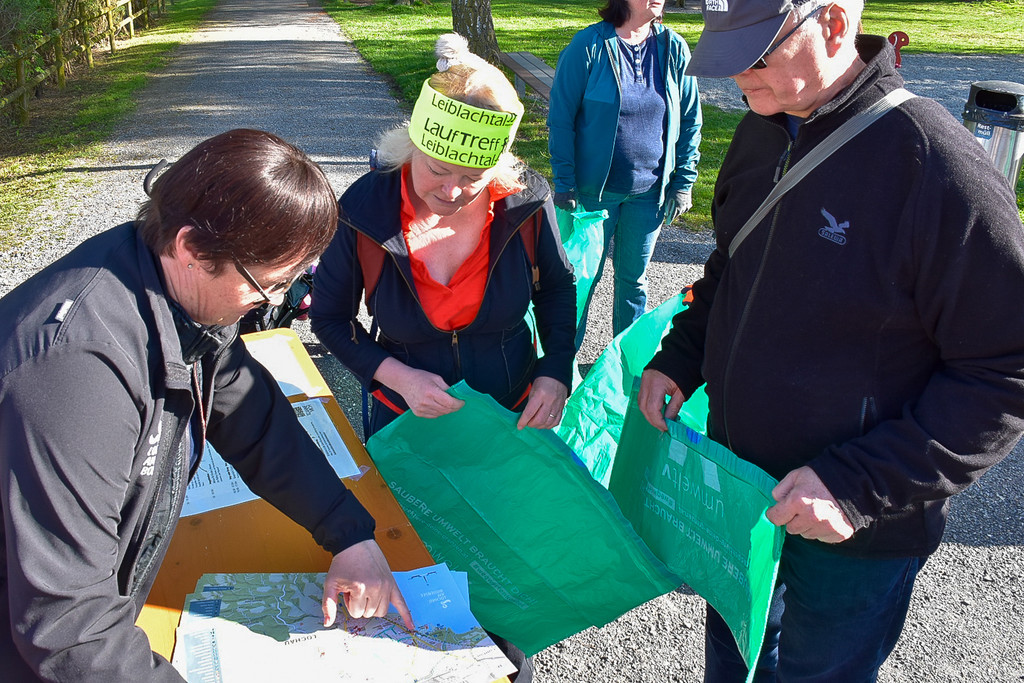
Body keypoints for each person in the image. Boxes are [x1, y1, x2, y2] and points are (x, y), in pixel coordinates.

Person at [637, 1, 1024, 681]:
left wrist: (855, 486)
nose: (735, 77)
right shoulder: (762, 128)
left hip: (854, 532)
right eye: (726, 53)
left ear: (835, 26)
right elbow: (731, 264)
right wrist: (678, 356)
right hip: (741, 497)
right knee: (732, 660)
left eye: (756, 54)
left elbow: (1004, 368)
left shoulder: (934, 166)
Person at [0, 129, 412, 682]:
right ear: (193, 248)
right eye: (267, 284)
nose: (272, 304)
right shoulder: (77, 371)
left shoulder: (173, 288)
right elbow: (69, 622)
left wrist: (349, 533)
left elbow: (250, 415)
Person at [310, 33, 576, 439]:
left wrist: (555, 371)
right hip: (404, 420)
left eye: (473, 178)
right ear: (413, 144)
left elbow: (557, 286)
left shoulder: (525, 203)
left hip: (510, 417)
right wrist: (400, 379)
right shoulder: (363, 211)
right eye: (436, 170)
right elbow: (330, 319)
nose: (451, 192)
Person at [548, 0, 702, 348]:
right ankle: (560, 368)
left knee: (634, 282)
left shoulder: (673, 47)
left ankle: (621, 371)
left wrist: (683, 181)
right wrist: (565, 181)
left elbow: (691, 120)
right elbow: (561, 119)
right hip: (591, 194)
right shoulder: (588, 46)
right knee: (580, 281)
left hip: (650, 194)